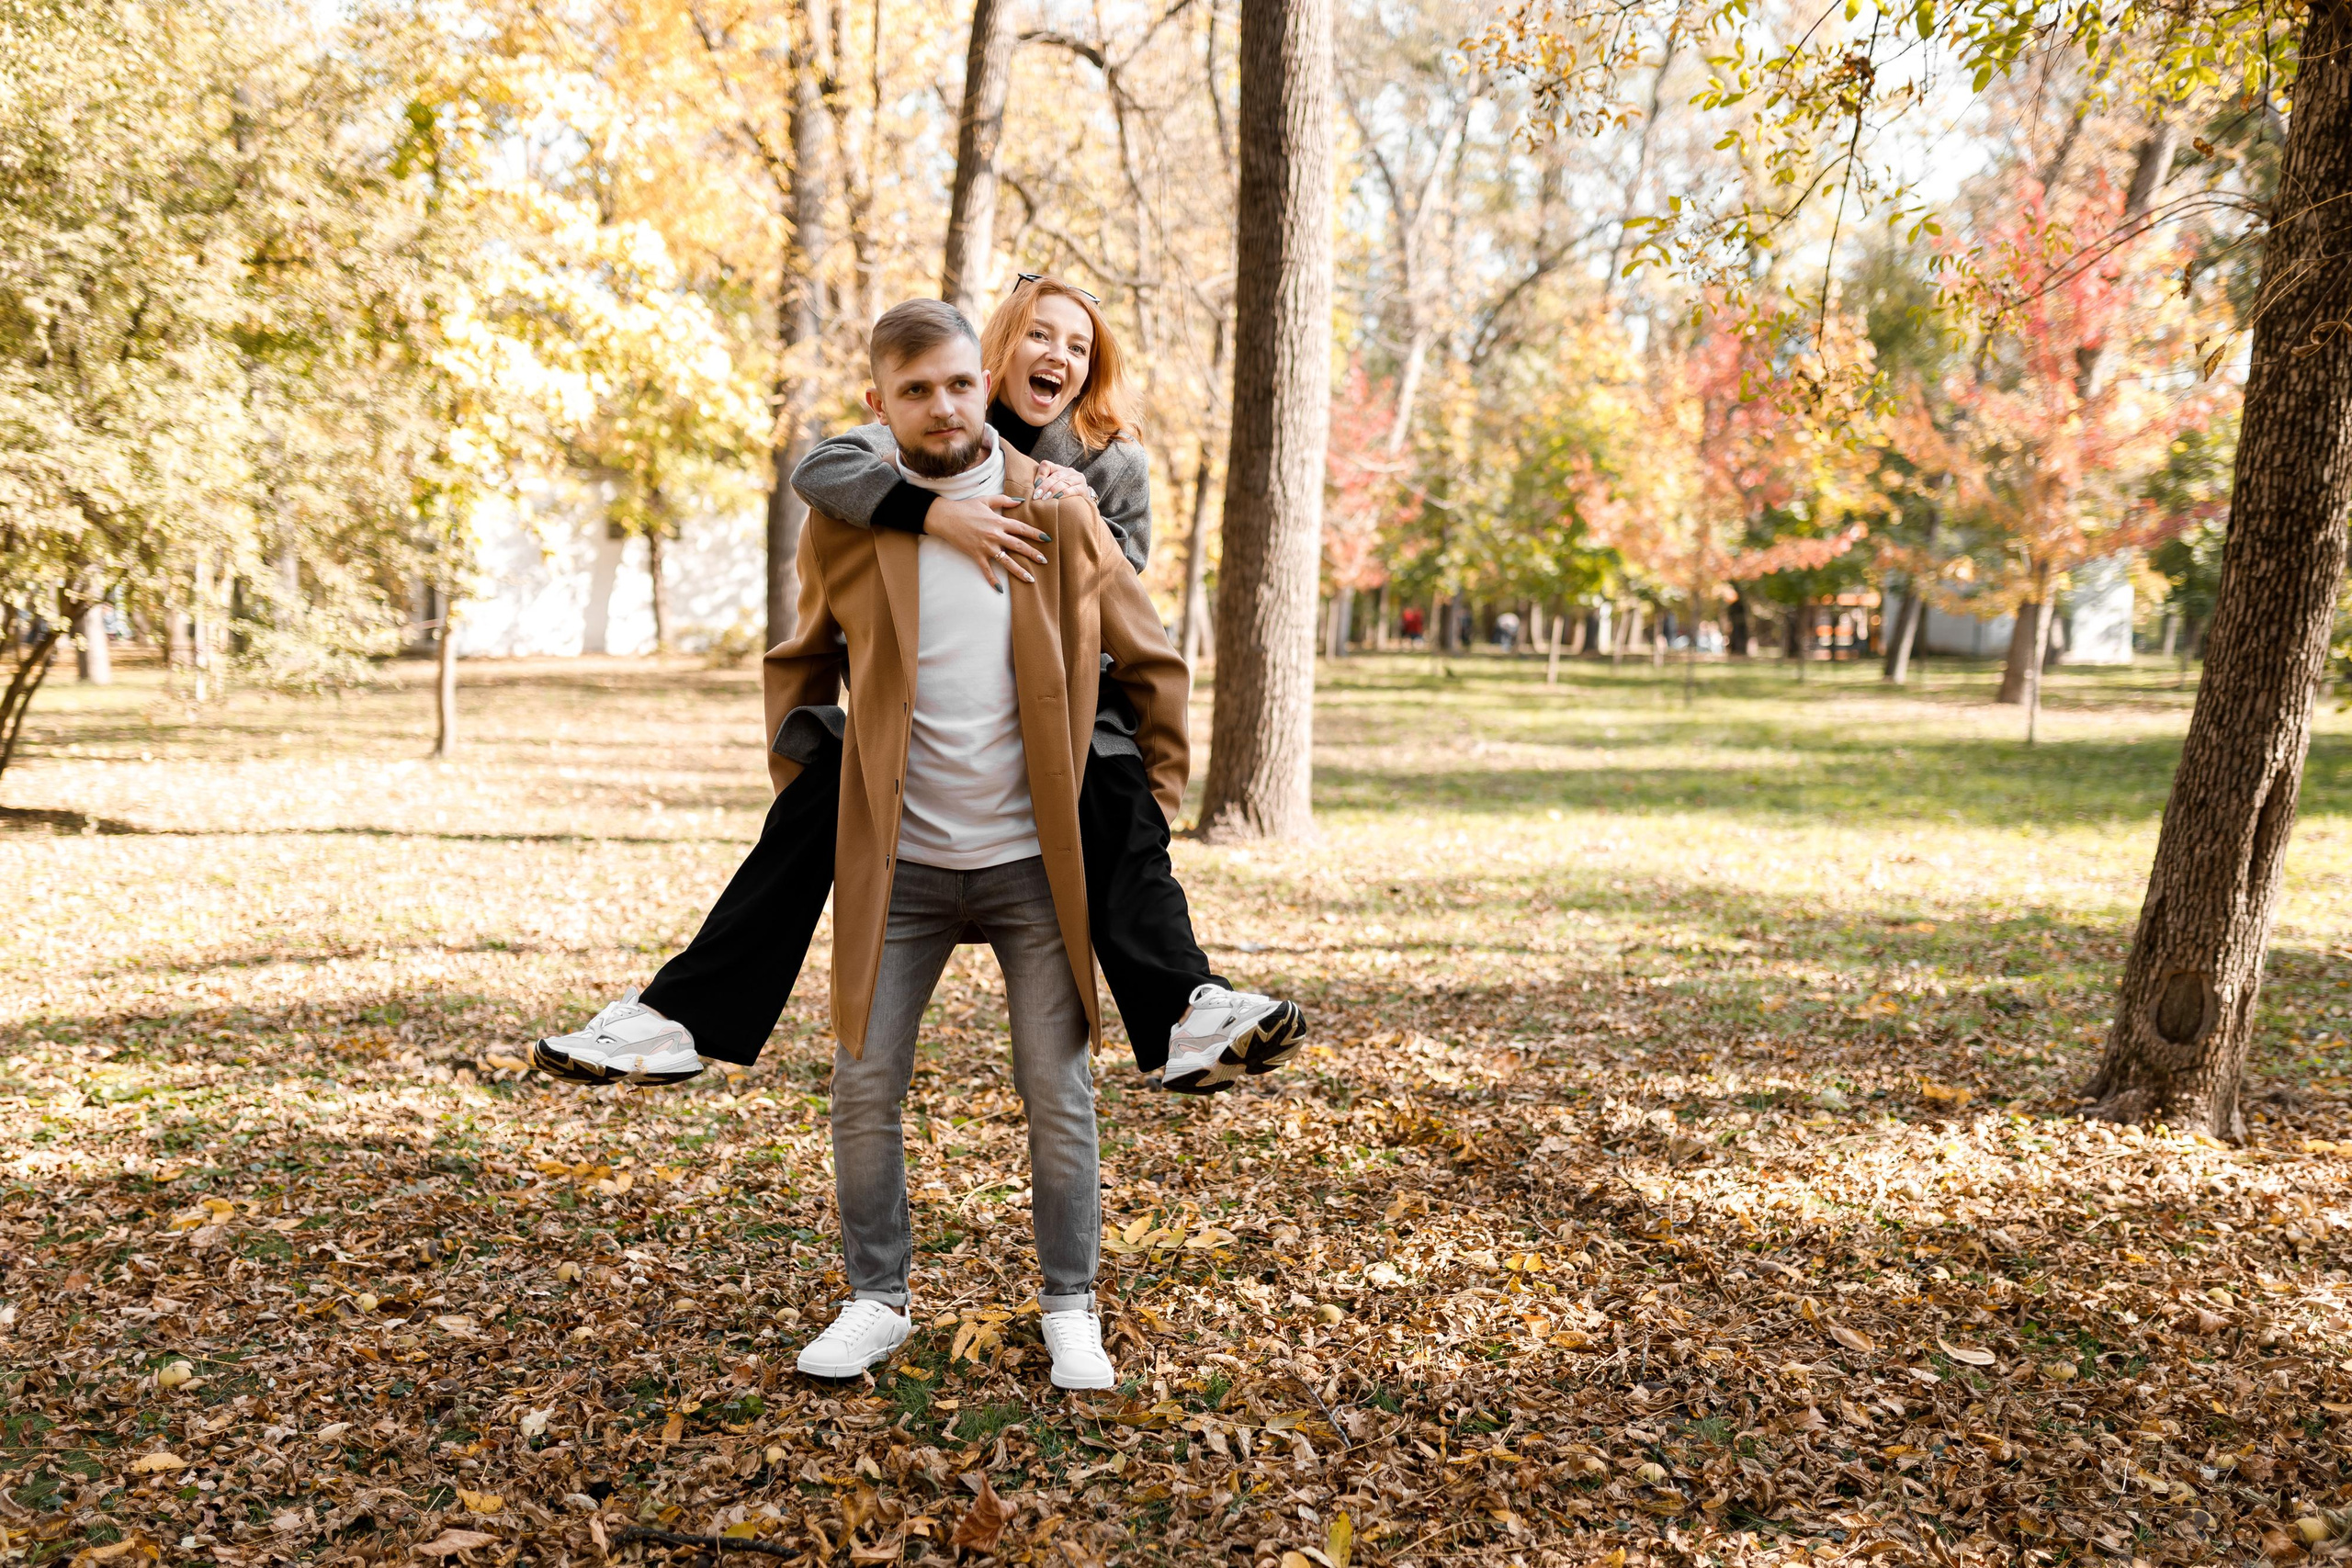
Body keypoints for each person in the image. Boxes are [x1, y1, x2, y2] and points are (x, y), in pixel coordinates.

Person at [530, 276, 1305, 1096]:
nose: (1060, 357)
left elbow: (1116, 609)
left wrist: (1159, 788)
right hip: (923, 718)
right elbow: (823, 470)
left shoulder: (1107, 463)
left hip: (1068, 709)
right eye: (1041, 336)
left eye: (1079, 346)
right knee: (828, 786)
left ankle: (1192, 1008)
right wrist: (935, 512)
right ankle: (676, 1016)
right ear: (996, 353)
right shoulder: (929, 423)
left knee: (1113, 792)